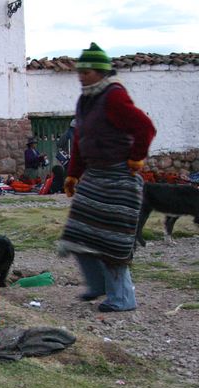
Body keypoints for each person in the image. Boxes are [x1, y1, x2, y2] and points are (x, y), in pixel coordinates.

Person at [59, 42, 156, 313]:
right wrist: (73, 175)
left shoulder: (114, 96)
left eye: (86, 71)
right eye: (79, 71)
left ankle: (122, 298)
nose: (81, 76)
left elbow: (145, 127)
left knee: (112, 241)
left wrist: (137, 156)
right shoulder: (86, 100)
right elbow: (79, 140)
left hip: (120, 176)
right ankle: (98, 285)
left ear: (101, 72)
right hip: (95, 175)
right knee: (77, 234)